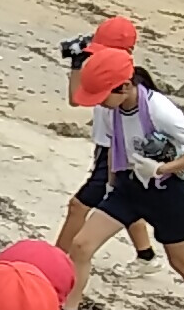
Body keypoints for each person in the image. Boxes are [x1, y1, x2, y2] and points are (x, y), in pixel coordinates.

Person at [65, 47, 184, 310]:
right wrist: (112, 184)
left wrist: (163, 168)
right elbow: (115, 146)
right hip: (128, 187)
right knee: (81, 244)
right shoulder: (112, 109)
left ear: (124, 86)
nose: (99, 102)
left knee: (182, 261)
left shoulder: (157, 109)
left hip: (169, 193)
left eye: (102, 94)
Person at [59, 16, 158, 265]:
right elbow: (76, 99)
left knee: (78, 206)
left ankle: (55, 260)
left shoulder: (127, 85)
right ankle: (146, 256)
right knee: (124, 202)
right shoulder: (101, 72)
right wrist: (77, 64)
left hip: (117, 153)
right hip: (104, 146)